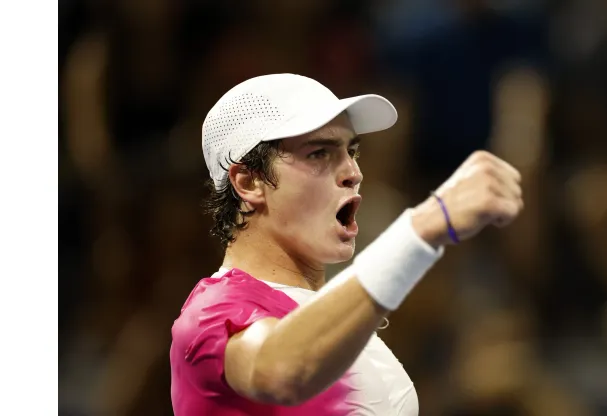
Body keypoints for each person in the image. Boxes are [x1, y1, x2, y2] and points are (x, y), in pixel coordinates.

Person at [170, 73, 523, 415]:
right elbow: (281, 372)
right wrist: (423, 227)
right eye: (319, 153)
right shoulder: (211, 311)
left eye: (351, 151)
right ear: (249, 183)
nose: (354, 172)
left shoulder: (335, 321)